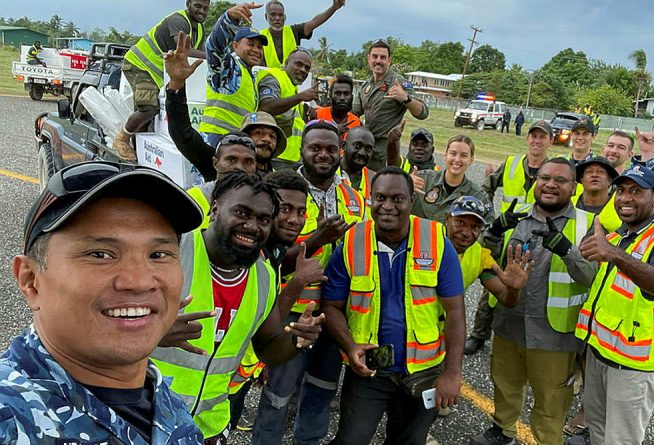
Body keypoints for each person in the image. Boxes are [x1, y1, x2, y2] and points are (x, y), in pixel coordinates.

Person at [4, 161, 204, 442]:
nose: (140, 281)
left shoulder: (161, 398)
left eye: (158, 255)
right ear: (30, 280)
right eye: (100, 254)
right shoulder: (10, 417)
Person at [151, 171, 325, 443]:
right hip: (142, 418)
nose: (252, 226)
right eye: (242, 213)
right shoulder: (170, 251)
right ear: (216, 208)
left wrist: (297, 340)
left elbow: (267, 348)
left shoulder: (265, 276)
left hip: (208, 428)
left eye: (263, 219)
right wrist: (150, 333)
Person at [321, 167, 466, 445]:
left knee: (409, 441)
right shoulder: (352, 242)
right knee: (351, 439)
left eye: (397, 199)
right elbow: (330, 305)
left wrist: (451, 373)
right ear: (370, 200)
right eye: (380, 198)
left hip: (424, 371)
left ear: (411, 200)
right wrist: (350, 346)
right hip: (370, 370)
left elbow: (456, 312)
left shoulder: (436, 241)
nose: (388, 206)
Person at [251, 119, 367, 445]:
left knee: (322, 389)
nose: (323, 155)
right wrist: (319, 237)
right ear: (302, 150)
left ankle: (309, 441)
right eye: (315, 147)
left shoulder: (355, 199)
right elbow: (272, 255)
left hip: (336, 315)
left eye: (331, 148)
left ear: (340, 152)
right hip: (292, 315)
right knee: (278, 395)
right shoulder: (283, 192)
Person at [471, 158, 599, 445]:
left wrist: (568, 251)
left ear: (574, 187)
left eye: (560, 180)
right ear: (536, 182)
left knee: (551, 400)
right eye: (545, 178)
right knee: (505, 384)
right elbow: (482, 261)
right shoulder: (513, 216)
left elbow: (592, 277)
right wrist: (492, 233)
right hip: (509, 322)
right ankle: (502, 431)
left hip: (554, 334)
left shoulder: (587, 225)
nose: (551, 185)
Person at [575, 165, 654, 445]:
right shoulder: (620, 235)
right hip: (601, 355)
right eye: (621, 190)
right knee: (598, 432)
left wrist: (614, 254)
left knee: (622, 440)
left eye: (636, 192)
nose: (625, 198)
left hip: (632, 368)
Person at [464, 120, 553, 355]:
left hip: (535, 239)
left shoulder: (552, 170)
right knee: (491, 285)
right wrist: (491, 216)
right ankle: (479, 334)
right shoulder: (512, 164)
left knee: (528, 288)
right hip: (504, 237)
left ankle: (515, 338)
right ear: (527, 139)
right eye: (533, 136)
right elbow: (487, 187)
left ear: (550, 142)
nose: (536, 140)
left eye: (542, 137)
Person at [165, 31, 287, 179]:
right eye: (259, 133)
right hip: (215, 138)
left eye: (272, 136)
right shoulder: (230, 70)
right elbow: (182, 134)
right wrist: (176, 83)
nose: (266, 139)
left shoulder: (275, 181)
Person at [114, 0, 209, 160]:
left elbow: (198, 56)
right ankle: (122, 139)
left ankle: (141, 152)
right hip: (140, 64)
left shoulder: (199, 28)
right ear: (188, 4)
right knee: (149, 108)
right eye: (198, 6)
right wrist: (214, 57)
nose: (202, 11)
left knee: (150, 114)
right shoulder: (178, 21)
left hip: (156, 73)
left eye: (206, 8)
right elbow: (184, 52)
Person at [197, 4, 268, 149]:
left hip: (235, 143)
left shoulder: (249, 75)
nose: (256, 50)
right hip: (217, 141)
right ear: (235, 46)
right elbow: (214, 47)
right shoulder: (229, 68)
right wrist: (228, 20)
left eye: (259, 47)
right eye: (251, 44)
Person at [353, 40, 429, 172]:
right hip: (365, 149)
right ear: (369, 59)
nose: (378, 61)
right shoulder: (365, 86)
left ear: (389, 61)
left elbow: (423, 113)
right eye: (375, 56)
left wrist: (405, 98)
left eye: (383, 57)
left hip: (386, 152)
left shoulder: (399, 82)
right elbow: (353, 113)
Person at [258, 48, 318, 169]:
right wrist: (300, 97)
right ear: (286, 63)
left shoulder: (292, 87)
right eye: (299, 64)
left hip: (293, 159)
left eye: (307, 68)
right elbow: (266, 106)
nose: (303, 70)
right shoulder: (274, 78)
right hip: (276, 157)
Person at [411, 134, 490, 224]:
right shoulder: (422, 179)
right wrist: (405, 186)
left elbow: (488, 229)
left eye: (463, 156)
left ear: (471, 160)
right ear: (445, 156)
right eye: (453, 153)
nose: (457, 159)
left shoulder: (477, 196)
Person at [260, 0, 346, 68]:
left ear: (284, 17)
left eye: (280, 15)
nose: (277, 18)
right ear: (266, 17)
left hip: (290, 86)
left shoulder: (294, 31)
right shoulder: (259, 36)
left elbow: (314, 22)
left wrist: (333, 8)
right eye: (273, 15)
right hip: (267, 86)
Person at [337, 126, 376, 200]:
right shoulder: (327, 174)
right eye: (357, 146)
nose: (362, 153)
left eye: (368, 149)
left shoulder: (376, 181)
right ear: (343, 145)